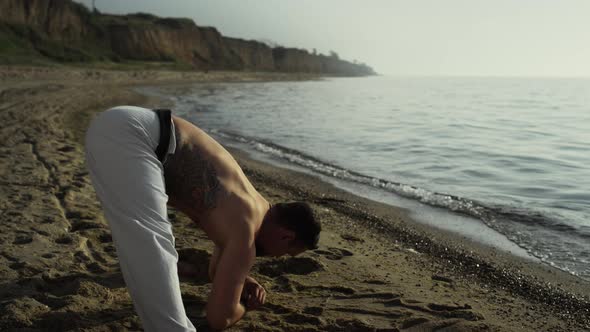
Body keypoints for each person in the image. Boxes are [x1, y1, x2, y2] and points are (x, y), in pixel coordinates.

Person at [84, 105, 321, 331]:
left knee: (141, 239)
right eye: (287, 252)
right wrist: (246, 306)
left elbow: (215, 272)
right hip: (135, 137)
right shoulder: (246, 234)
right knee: (152, 241)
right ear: (286, 236)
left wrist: (241, 281)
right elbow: (219, 318)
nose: (277, 257)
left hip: (127, 126)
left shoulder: (251, 207)